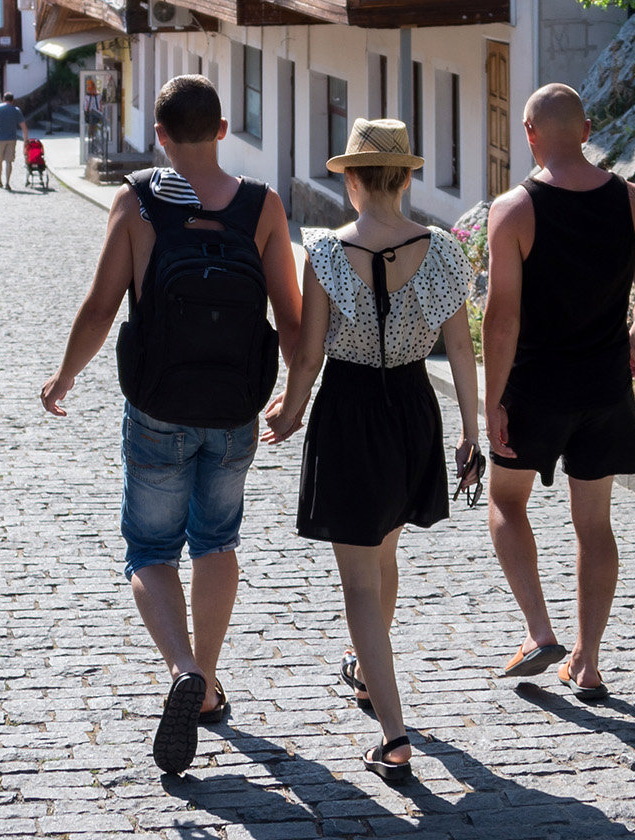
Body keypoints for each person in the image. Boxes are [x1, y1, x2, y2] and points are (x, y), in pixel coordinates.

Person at [40, 74, 301, 777]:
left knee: (151, 549)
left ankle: (184, 669)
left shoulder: (139, 203)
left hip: (158, 405)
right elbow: (293, 316)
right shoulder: (261, 206)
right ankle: (208, 686)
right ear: (222, 130)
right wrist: (296, 398)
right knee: (217, 540)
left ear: (159, 135)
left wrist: (65, 377)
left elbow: (100, 307)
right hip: (234, 409)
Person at [263, 119, 482, 786]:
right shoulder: (445, 252)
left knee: (359, 579)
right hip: (414, 407)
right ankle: (366, 671)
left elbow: (308, 353)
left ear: (352, 180)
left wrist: (290, 412)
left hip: (351, 410)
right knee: (383, 555)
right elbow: (463, 350)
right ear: (408, 178)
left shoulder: (327, 252)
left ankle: (393, 738)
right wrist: (471, 434)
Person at [479, 83, 635, 702]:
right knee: (596, 526)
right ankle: (587, 663)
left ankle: (539, 632)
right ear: (585, 130)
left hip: (535, 387)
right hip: (605, 388)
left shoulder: (513, 210)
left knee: (506, 504)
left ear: (529, 134)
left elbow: (500, 318)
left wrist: (491, 399)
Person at [0, 92, 27, 189]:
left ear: (3, 99)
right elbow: (23, 126)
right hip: (12, 138)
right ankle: (7, 182)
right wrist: (26, 139)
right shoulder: (16, 110)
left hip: (0, 138)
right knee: (9, 162)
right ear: (12, 100)